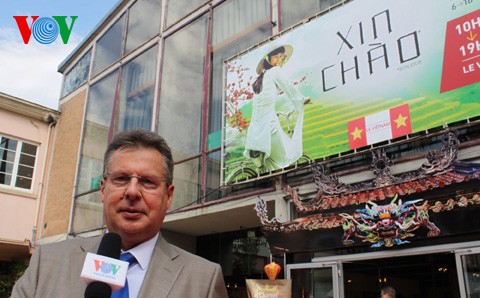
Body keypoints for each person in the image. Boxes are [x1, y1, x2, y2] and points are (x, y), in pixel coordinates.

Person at [11, 128, 228, 298]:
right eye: (121, 179)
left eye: (148, 182)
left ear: (168, 196)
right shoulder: (46, 262)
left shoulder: (204, 279)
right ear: (103, 190)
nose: (132, 191)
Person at [243, 44, 309, 171]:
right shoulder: (275, 71)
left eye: (281, 57)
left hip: (256, 129)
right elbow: (288, 87)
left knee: (271, 165)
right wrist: (300, 100)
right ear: (268, 58)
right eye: (276, 57)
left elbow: (263, 102)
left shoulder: (260, 79)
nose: (279, 60)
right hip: (269, 126)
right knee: (288, 155)